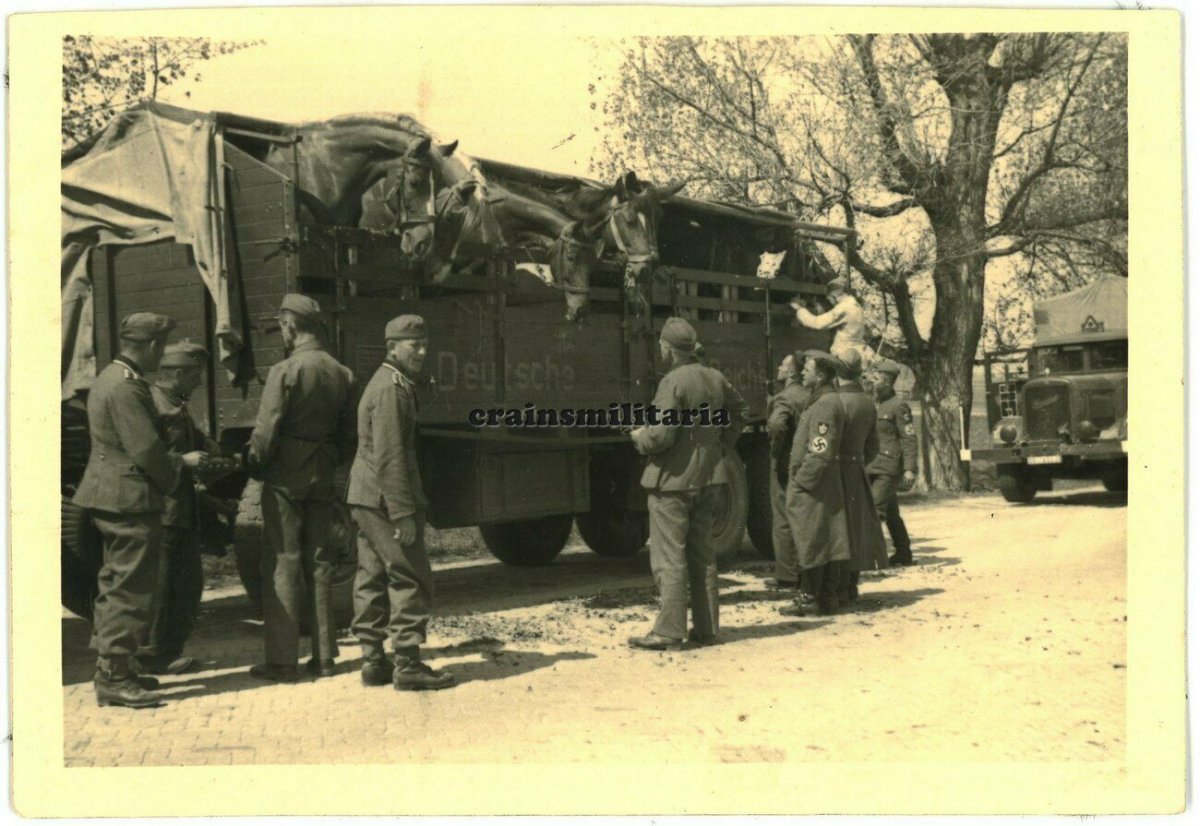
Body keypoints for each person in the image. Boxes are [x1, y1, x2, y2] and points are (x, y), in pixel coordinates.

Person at [73, 313, 208, 707]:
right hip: (128, 497)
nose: (161, 356)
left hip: (112, 493)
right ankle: (115, 676)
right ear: (150, 346)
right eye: (160, 347)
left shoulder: (109, 377)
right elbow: (147, 449)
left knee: (116, 583)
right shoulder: (127, 386)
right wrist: (178, 470)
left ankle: (116, 668)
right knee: (130, 588)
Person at [245, 294, 357, 682]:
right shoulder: (342, 372)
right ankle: (324, 658)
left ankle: (282, 661)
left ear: (290, 326)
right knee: (320, 562)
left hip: (285, 477)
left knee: (283, 561)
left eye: (282, 327)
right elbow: (349, 435)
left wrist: (255, 463)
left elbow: (266, 431)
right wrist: (326, 460)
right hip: (322, 473)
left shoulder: (285, 370)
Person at [346, 314, 456, 691]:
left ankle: (373, 661)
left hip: (365, 496)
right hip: (382, 497)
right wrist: (403, 513)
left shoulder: (390, 382)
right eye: (414, 345)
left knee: (372, 573)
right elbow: (390, 457)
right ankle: (408, 663)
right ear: (392, 347)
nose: (422, 352)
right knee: (410, 572)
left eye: (425, 345)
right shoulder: (391, 389)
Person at [628, 317, 748, 650]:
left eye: (661, 346)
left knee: (669, 557)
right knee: (703, 555)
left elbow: (661, 436)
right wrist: (720, 446)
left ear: (667, 348)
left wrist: (639, 438)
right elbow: (740, 412)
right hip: (709, 476)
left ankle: (668, 631)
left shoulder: (672, 382)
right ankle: (707, 629)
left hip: (673, 481)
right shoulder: (715, 377)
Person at [136, 340, 225, 676]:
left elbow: (185, 438)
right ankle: (150, 656)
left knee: (187, 585)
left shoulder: (176, 403)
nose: (200, 382)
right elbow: (145, 454)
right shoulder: (151, 403)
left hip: (182, 509)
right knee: (161, 586)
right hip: (162, 510)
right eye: (194, 376)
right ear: (175, 374)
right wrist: (183, 461)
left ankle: (170, 651)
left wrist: (206, 444)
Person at [783, 350, 851, 616]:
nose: (802, 373)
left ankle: (809, 597)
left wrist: (801, 481)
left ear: (820, 375)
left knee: (810, 539)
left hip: (814, 485)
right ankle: (826, 597)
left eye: (807, 370)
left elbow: (820, 450)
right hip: (821, 483)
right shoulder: (824, 400)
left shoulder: (824, 404)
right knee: (825, 538)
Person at [834, 348, 888, 604]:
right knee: (855, 528)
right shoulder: (867, 402)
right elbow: (873, 446)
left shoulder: (834, 401)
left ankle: (836, 587)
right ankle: (851, 585)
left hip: (836, 472)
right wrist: (857, 460)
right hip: (856, 471)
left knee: (837, 528)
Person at [762, 353, 811, 591]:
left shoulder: (784, 398)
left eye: (783, 364)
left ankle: (787, 574)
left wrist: (776, 450)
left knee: (782, 517)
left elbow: (777, 425)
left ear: (792, 372)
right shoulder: (810, 395)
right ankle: (805, 570)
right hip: (806, 461)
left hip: (785, 462)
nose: (779, 368)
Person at [867, 360, 919, 566]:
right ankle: (903, 552)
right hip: (871, 464)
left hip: (889, 466)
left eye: (876, 379)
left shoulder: (898, 406)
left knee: (874, 511)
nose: (872, 382)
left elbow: (909, 438)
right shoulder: (871, 403)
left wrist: (909, 469)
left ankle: (871, 558)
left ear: (887, 382)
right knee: (891, 513)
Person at [791, 275, 872, 362]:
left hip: (843, 354)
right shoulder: (856, 306)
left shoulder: (844, 308)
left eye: (829, 299)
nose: (830, 302)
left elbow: (816, 323)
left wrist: (799, 309)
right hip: (854, 354)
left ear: (833, 295)